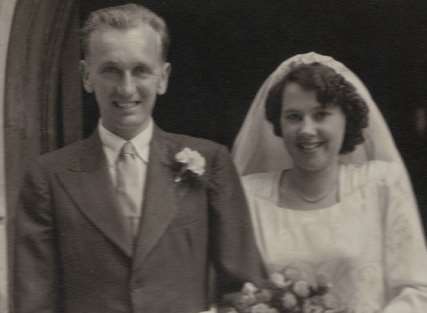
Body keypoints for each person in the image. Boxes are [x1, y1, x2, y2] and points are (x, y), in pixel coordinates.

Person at [14, 4, 265, 313]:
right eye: (110, 70)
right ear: (86, 76)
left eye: (141, 70)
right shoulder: (48, 177)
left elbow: (246, 293)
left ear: (163, 77)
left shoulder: (210, 162)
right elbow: (33, 302)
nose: (127, 87)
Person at [232, 52, 427, 312]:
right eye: (294, 116)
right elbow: (234, 293)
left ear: (347, 119)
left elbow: (417, 289)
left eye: (321, 114)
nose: (306, 130)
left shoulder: (381, 184)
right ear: (278, 123)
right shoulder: (249, 195)